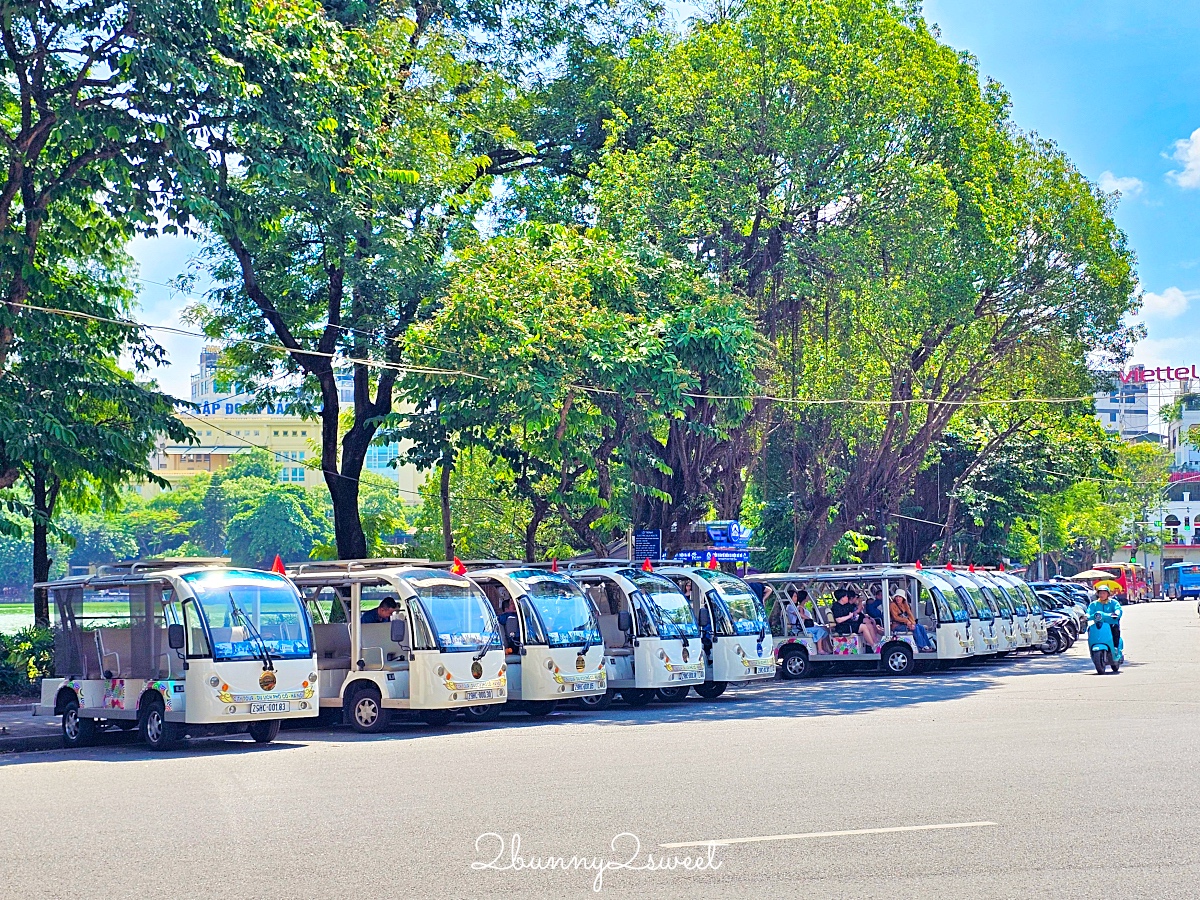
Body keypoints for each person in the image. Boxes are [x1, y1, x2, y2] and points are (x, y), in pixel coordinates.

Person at [1087, 584, 1123, 653]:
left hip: (1111, 624)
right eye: (1100, 593)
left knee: (1115, 629)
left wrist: (1116, 613)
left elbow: (1118, 609)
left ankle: (1115, 647)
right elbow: (1089, 611)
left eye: (1104, 593)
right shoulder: (1094, 604)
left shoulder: (1113, 603)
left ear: (1108, 594)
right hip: (1099, 625)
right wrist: (1086, 616)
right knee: (1090, 630)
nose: (1102, 595)